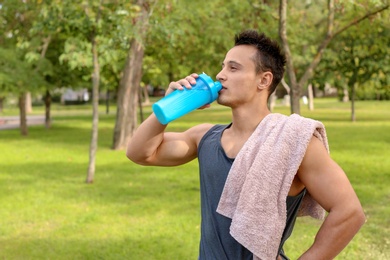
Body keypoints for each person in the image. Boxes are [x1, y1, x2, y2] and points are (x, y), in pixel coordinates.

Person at [126, 30, 365, 259]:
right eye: (222, 66)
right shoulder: (205, 137)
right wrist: (167, 108)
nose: (220, 75)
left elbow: (349, 213)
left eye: (233, 68)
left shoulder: (293, 142)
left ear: (264, 80)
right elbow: (140, 153)